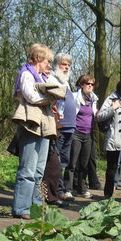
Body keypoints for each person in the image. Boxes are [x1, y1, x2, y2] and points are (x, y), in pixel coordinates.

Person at [11, 43, 63, 219]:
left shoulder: (42, 77)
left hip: (45, 126)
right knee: (28, 169)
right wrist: (50, 99)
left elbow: (58, 89)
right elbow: (31, 97)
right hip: (31, 125)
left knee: (40, 170)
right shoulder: (26, 74)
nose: (49, 64)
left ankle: (36, 206)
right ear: (39, 58)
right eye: (48, 60)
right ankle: (21, 208)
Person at [47, 53, 76, 201]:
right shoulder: (52, 79)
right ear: (56, 65)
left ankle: (60, 189)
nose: (66, 68)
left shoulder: (66, 83)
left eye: (68, 65)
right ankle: (55, 191)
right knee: (55, 161)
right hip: (59, 127)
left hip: (70, 127)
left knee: (64, 160)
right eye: (64, 64)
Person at [64, 75, 98, 199]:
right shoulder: (74, 97)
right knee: (72, 163)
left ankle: (82, 188)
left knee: (84, 164)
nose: (90, 86)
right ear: (82, 85)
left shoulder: (94, 100)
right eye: (87, 83)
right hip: (76, 133)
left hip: (88, 134)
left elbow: (95, 115)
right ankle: (67, 188)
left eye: (92, 84)